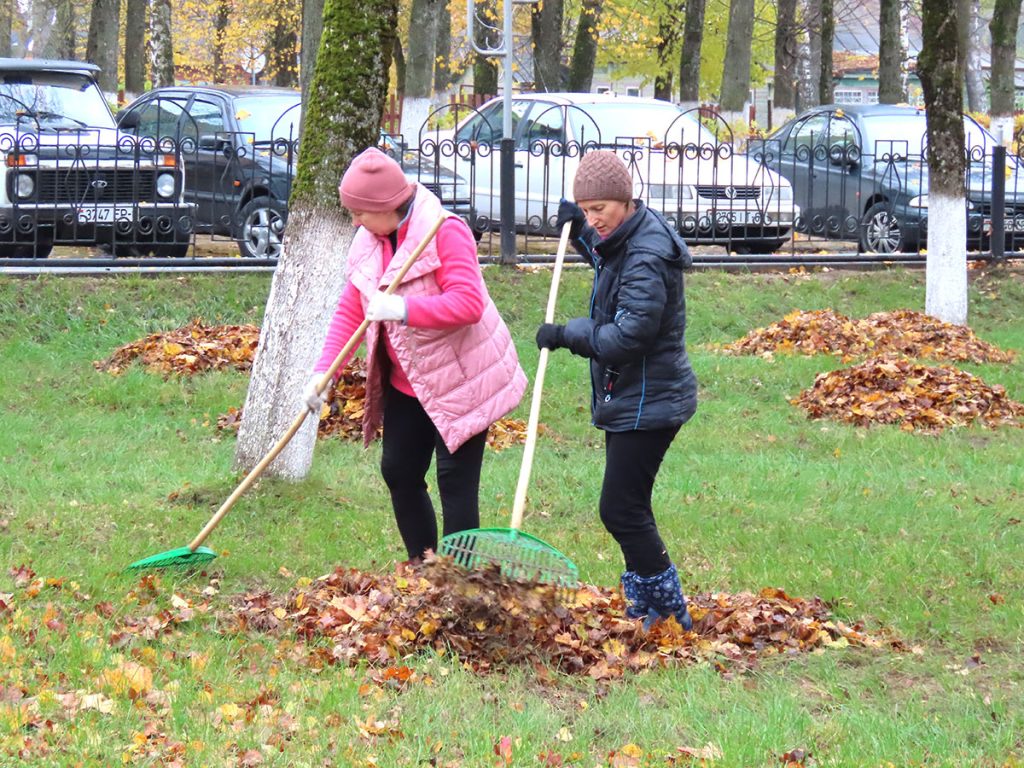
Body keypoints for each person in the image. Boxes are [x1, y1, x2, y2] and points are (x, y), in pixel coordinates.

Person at [305, 147, 527, 563]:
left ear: (387, 206)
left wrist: (405, 310)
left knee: (454, 482)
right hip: (407, 383)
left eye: (360, 212)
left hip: (463, 380)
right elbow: (353, 306)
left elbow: (468, 304)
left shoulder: (445, 231)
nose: (355, 221)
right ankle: (425, 568)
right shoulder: (370, 238)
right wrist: (324, 371)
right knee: (400, 471)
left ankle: (459, 583)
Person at [536, 149, 698, 630]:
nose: (594, 219)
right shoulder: (628, 236)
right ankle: (649, 601)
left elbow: (629, 336)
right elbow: (611, 264)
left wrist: (569, 334)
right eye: (586, 210)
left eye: (598, 211)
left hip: (651, 400)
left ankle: (668, 607)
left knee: (620, 507)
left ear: (624, 201)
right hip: (634, 395)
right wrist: (582, 234)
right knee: (627, 505)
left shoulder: (647, 255)